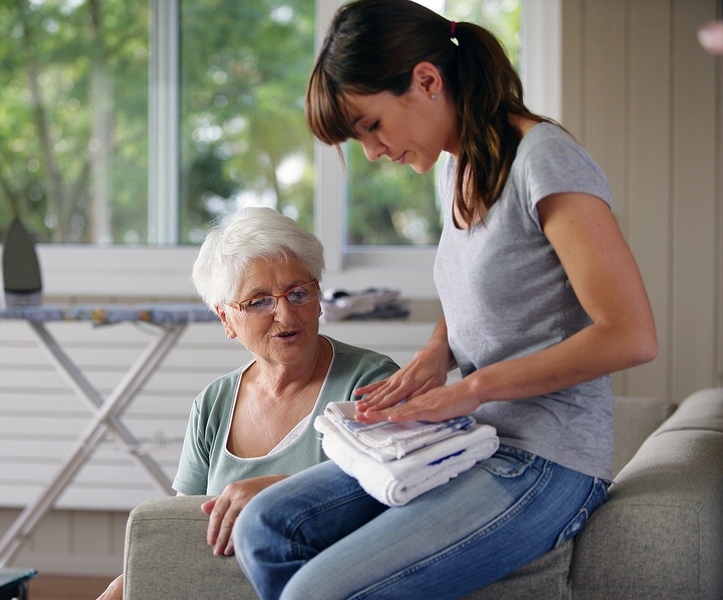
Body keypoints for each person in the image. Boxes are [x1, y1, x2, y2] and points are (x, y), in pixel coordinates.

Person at [233, 1, 659, 599]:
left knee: (316, 593)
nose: (374, 152)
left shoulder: (544, 159)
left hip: (546, 461)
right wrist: (437, 353)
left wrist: (470, 387)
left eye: (370, 125)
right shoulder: (454, 167)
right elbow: (486, 285)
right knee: (266, 528)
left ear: (426, 81)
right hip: (469, 438)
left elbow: (630, 334)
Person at [96, 206, 399, 600]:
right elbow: (185, 527)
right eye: (259, 302)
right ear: (226, 319)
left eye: (299, 293)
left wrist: (282, 497)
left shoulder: (371, 382)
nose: (286, 314)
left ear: (319, 295)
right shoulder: (214, 403)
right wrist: (131, 581)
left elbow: (396, 506)